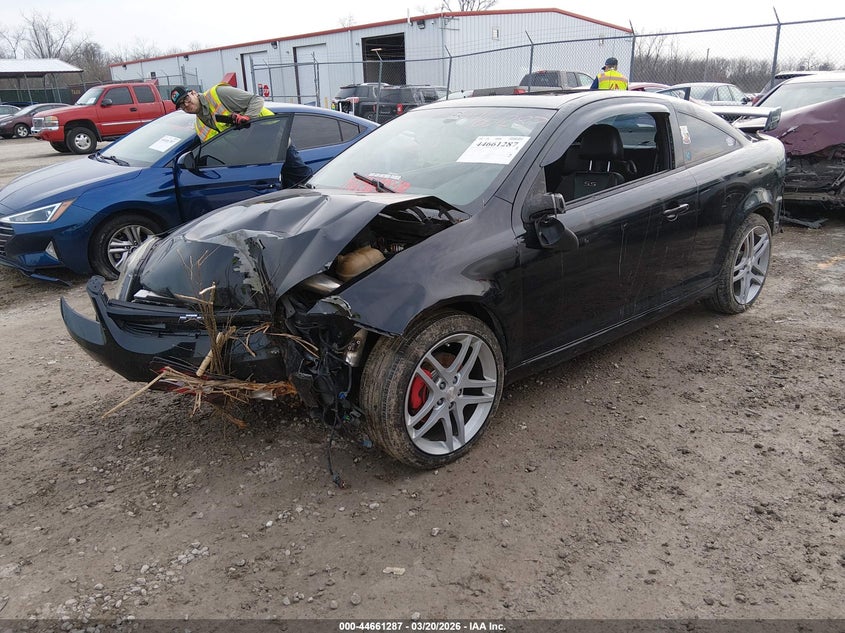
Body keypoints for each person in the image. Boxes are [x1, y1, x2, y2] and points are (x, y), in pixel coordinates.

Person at [170, 83, 312, 188]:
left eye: (186, 99)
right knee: (283, 197)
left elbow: (256, 99)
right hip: (256, 161)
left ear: (194, 93)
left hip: (276, 143)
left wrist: (248, 117)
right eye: (182, 105)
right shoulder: (200, 127)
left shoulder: (219, 94)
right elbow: (216, 152)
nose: (186, 105)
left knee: (305, 184)